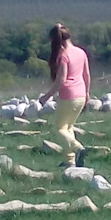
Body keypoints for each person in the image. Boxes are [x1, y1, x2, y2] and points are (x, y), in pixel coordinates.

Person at [38, 22, 91, 166]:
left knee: (59, 128)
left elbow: (61, 80)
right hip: (80, 95)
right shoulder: (81, 52)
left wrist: (46, 96)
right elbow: (86, 74)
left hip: (68, 95)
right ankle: (70, 161)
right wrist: (87, 93)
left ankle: (78, 148)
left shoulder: (63, 56)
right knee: (68, 127)